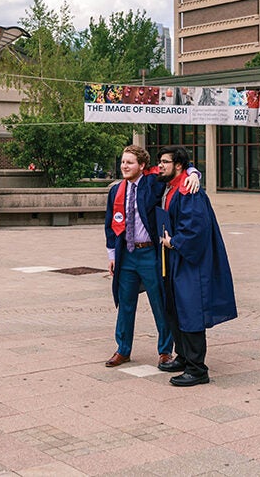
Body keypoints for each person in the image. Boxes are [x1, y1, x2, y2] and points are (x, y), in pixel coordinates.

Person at [104, 145, 198, 370]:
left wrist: (194, 173)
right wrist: (112, 254)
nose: (124, 166)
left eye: (130, 162)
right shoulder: (115, 191)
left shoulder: (153, 182)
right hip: (126, 253)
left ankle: (165, 351)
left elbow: (179, 167)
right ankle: (123, 349)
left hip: (150, 253)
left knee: (160, 303)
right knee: (125, 303)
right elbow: (109, 223)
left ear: (142, 166)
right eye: (123, 162)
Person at [157, 146, 237, 386]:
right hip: (174, 260)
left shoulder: (189, 191)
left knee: (190, 311)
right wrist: (195, 171)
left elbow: (196, 229)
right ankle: (183, 357)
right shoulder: (171, 186)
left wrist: (175, 242)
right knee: (175, 309)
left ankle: (197, 369)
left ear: (178, 166)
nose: (160, 166)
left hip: (190, 262)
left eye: (164, 162)